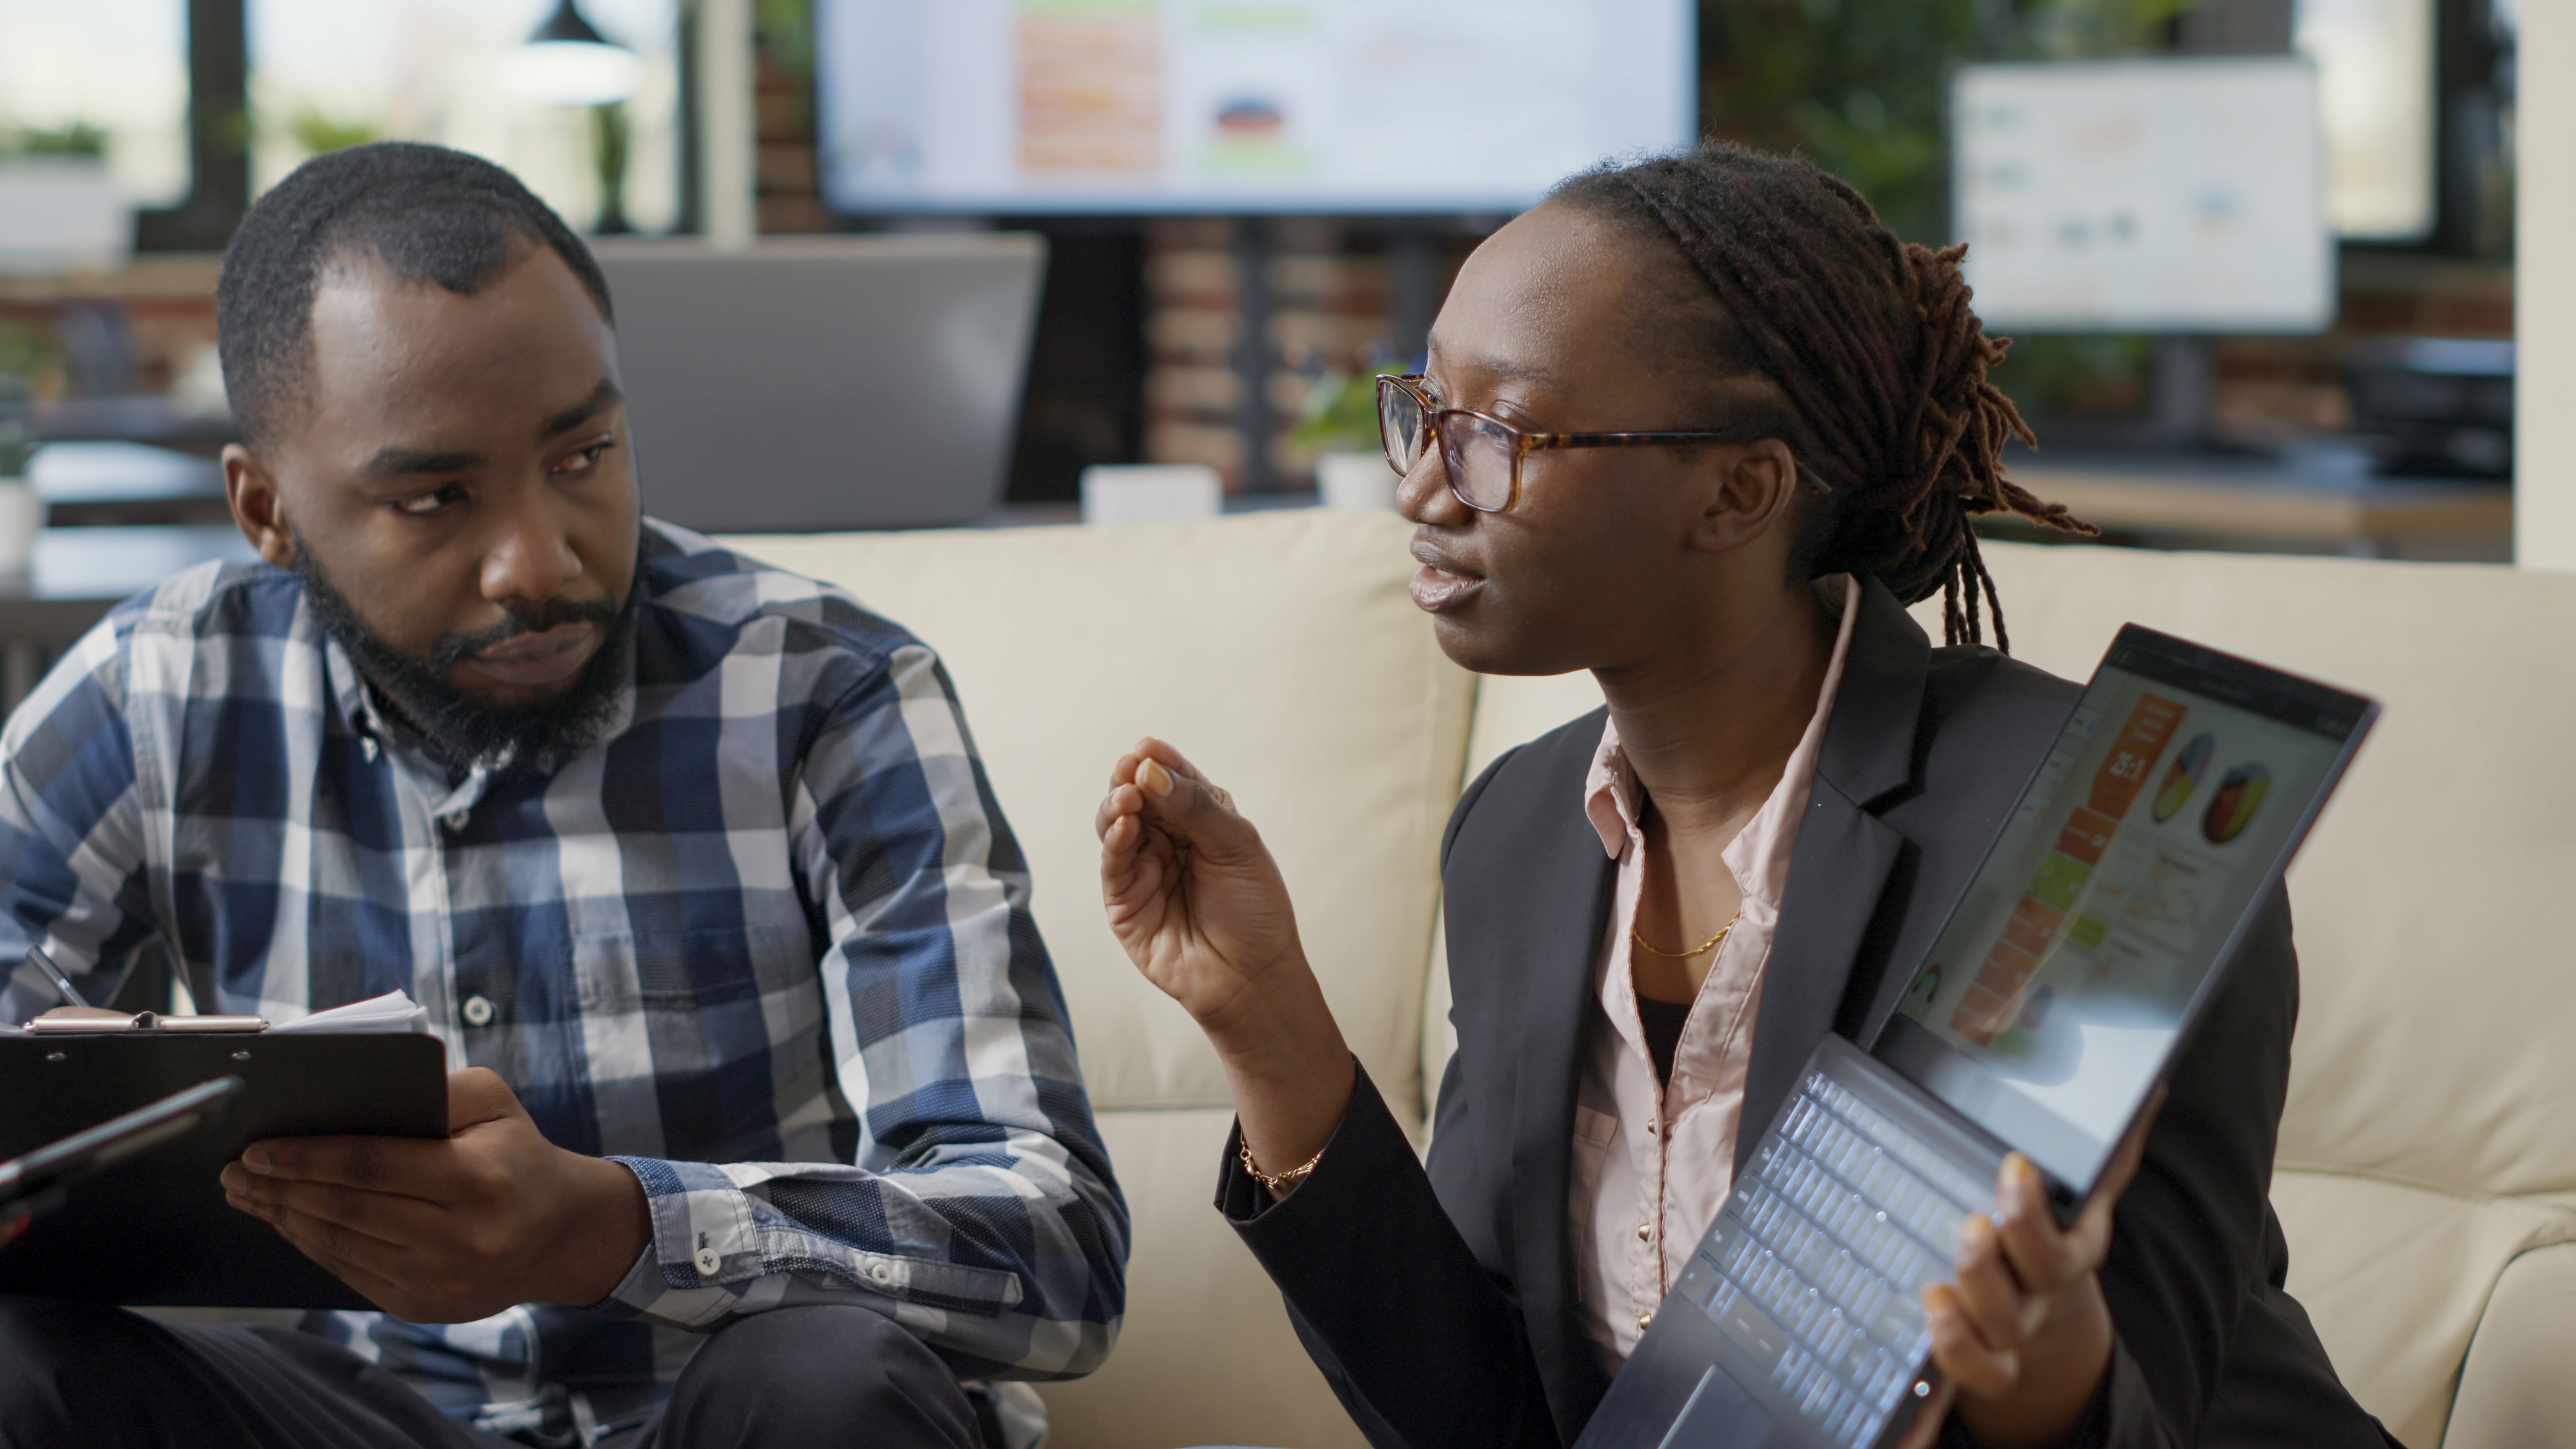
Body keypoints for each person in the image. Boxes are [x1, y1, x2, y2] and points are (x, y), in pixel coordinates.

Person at [1097, 143, 2390, 1448]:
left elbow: (2160, 1395)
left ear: (1739, 492)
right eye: (1426, 410)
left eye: (1499, 434)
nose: (1423, 487)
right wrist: (1269, 1024)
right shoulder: (1520, 836)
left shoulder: (2095, 824)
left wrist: (2046, 1380)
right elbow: (1489, 1420)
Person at [0, 143, 1125, 1449]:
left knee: (833, 1380)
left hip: (731, 1414)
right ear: (267, 510)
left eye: (584, 453)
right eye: (435, 497)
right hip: (364, 1416)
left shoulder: (827, 694)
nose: (538, 565)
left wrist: (609, 1228)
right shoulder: (159, 692)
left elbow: (1058, 1256)